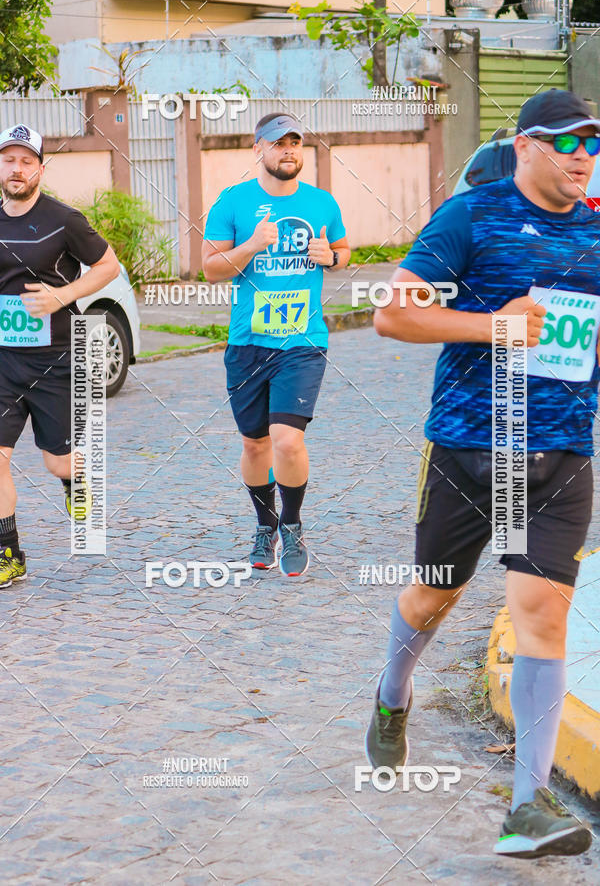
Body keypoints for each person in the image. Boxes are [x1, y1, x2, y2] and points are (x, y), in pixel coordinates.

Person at [365, 90, 598, 858]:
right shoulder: (471, 216)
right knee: (435, 595)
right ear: (525, 145)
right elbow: (394, 312)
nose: (582, 157)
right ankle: (393, 693)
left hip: (561, 454)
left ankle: (527, 809)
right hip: (468, 448)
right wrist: (492, 325)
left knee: (543, 616)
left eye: (592, 144)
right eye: (566, 142)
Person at [202, 113, 350, 576]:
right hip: (248, 343)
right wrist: (250, 245)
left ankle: (292, 524)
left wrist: (332, 257)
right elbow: (210, 268)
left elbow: (344, 250)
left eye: (294, 142)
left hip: (303, 341)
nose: (288, 150)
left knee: (287, 441)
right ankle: (264, 525)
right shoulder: (232, 202)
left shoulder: (322, 203)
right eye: (278, 142)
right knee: (255, 446)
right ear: (258, 149)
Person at [0, 124, 120, 587]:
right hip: (4, 362)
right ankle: (8, 552)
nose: (17, 169)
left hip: (55, 360)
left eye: (26, 161)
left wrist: (61, 296)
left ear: (40, 169)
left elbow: (108, 266)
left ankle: (75, 482)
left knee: (59, 461)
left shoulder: (63, 219)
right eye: (9, 160)